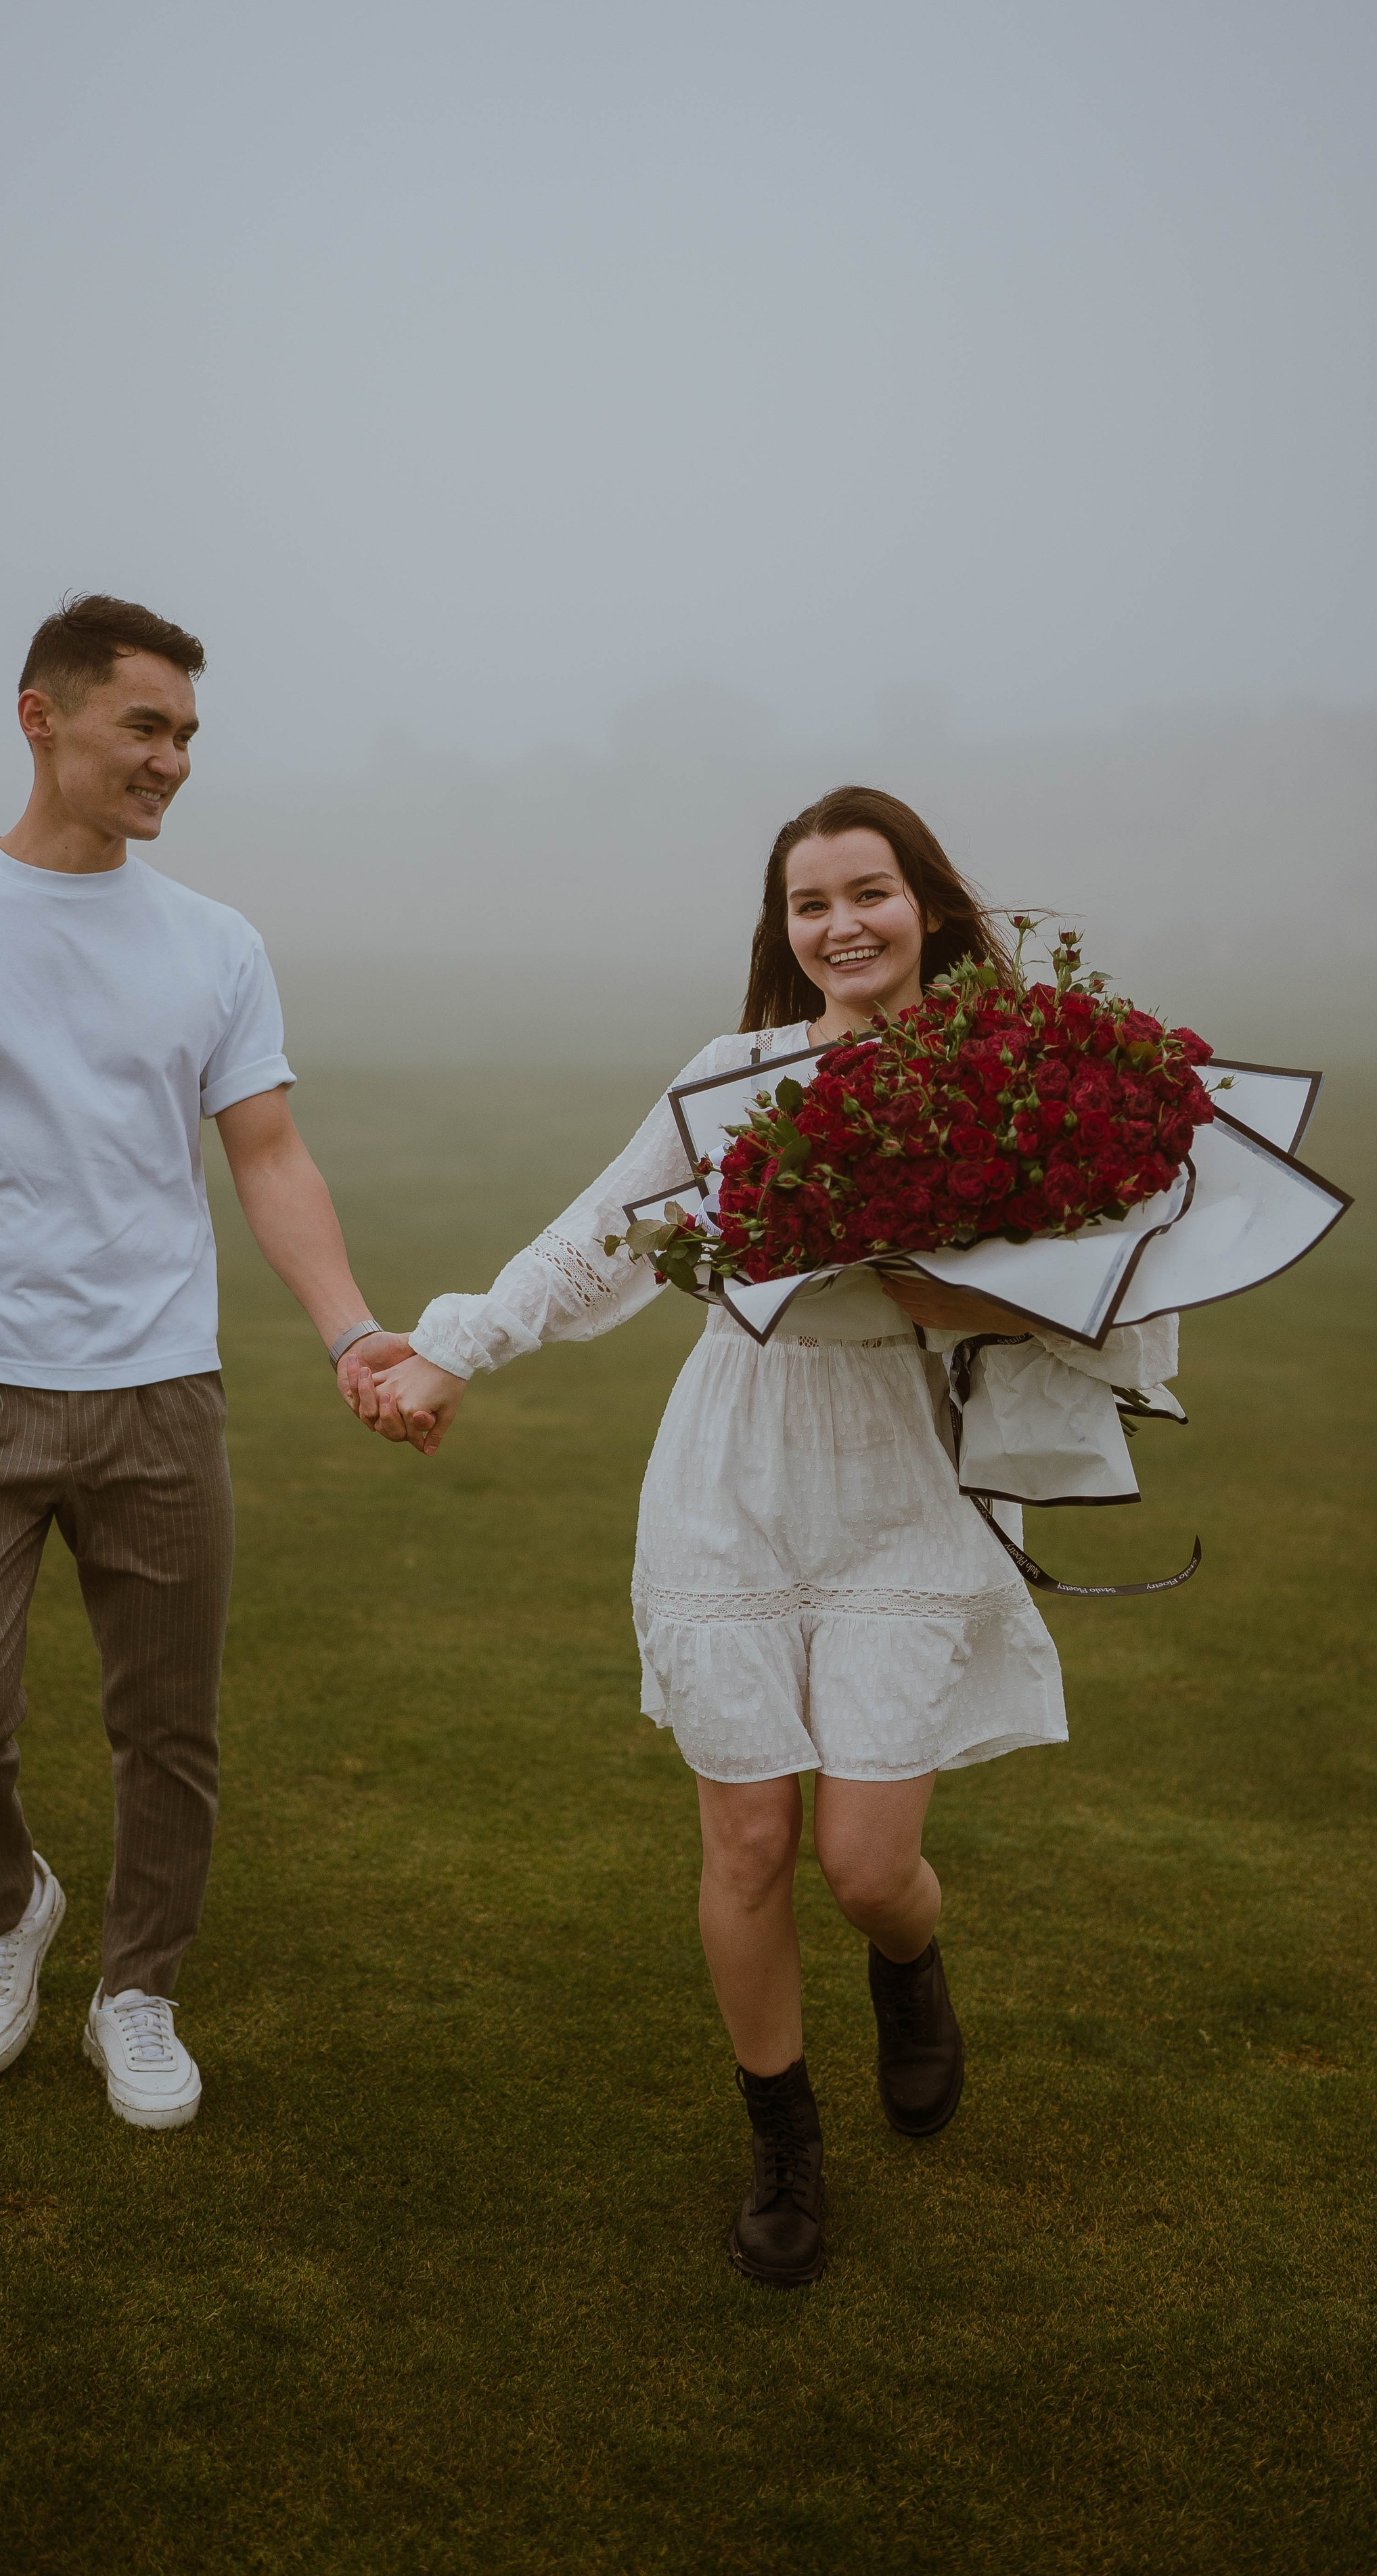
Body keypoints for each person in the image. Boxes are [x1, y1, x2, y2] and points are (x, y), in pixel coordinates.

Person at [341, 786, 1180, 2284]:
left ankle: (907, 1961)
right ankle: (783, 2141)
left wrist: (973, 1297)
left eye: (868, 893)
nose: (841, 926)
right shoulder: (735, 1080)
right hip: (733, 1468)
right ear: (781, 930)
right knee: (746, 1839)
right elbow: (602, 1233)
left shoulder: (1013, 1078)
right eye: (809, 905)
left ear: (927, 904)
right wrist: (454, 1350)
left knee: (863, 1862)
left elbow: (1124, 1290)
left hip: (906, 1479)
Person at [0, 596, 399, 2129]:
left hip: (159, 1391)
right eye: (145, 726)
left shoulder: (215, 942)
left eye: (187, 734)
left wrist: (350, 1328)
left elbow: (266, 1153)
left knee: (168, 1729)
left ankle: (138, 1989)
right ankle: (7, 1903)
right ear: (42, 717)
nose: (173, 761)